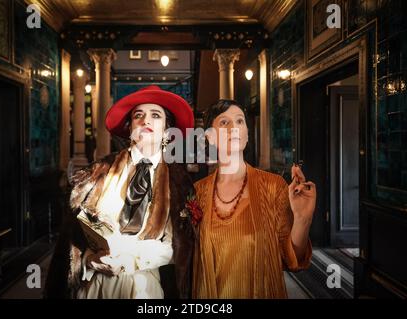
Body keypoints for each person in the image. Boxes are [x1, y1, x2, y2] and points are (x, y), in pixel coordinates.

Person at [45, 85, 196, 299]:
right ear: (129, 128)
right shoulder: (98, 174)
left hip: (143, 287)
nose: (146, 121)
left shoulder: (179, 183)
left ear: (166, 130)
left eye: (156, 115)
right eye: (138, 115)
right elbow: (75, 236)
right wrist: (88, 259)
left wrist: (130, 260)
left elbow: (177, 245)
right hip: (96, 285)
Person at [193, 99, 316, 299]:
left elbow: (293, 260)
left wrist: (303, 219)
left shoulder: (273, 186)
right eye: (224, 122)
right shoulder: (197, 193)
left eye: (240, 121)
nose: (234, 127)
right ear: (210, 137)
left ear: (247, 135)